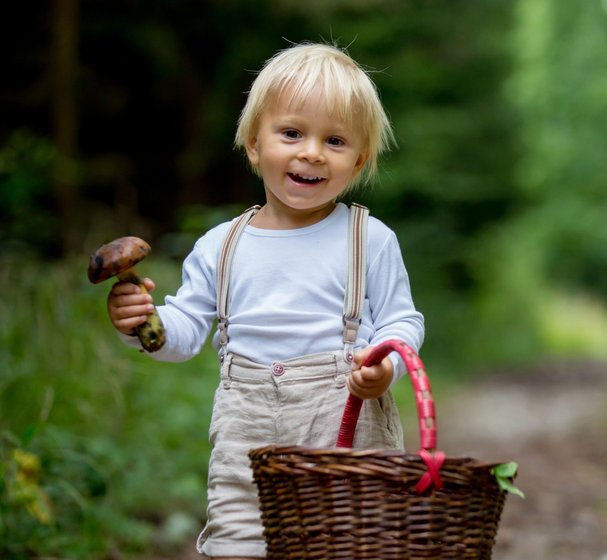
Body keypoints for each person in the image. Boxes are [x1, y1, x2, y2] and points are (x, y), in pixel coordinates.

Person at [105, 43, 424, 559]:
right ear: (254, 145)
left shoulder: (370, 238)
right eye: (292, 133)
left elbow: (402, 319)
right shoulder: (221, 245)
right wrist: (145, 320)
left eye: (335, 140)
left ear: (359, 160)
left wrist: (385, 363)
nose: (312, 152)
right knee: (238, 543)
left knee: (350, 545)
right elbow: (184, 332)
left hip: (345, 418)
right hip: (246, 432)